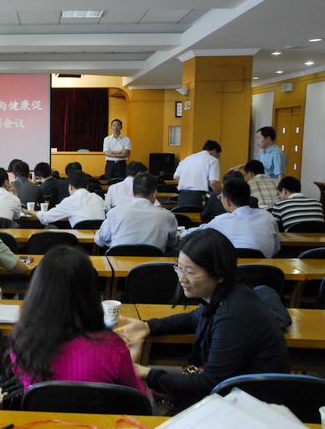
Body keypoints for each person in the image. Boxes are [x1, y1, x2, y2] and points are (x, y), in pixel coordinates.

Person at [116, 229, 289, 406]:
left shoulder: (233, 315)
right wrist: (148, 327)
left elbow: (208, 383)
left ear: (219, 274)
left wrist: (146, 373)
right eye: (179, 268)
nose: (182, 278)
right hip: (236, 391)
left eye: (190, 272)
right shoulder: (226, 294)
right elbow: (195, 317)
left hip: (254, 404)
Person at [10, 245, 145, 394]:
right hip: (98, 410)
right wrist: (134, 352)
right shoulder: (113, 348)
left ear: (37, 290)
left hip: (40, 410)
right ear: (90, 292)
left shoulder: (22, 343)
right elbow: (137, 400)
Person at [184, 179, 280, 258]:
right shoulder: (267, 216)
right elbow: (276, 249)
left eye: (221, 197)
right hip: (266, 271)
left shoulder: (221, 220)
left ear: (227, 201)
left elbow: (194, 233)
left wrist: (181, 232)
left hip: (232, 272)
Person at [95, 172, 178, 252]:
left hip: (118, 261)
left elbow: (99, 240)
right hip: (154, 261)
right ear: (155, 193)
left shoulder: (115, 212)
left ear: (133, 192)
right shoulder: (168, 216)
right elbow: (172, 243)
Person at [33, 171, 106, 227]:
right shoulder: (98, 198)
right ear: (87, 186)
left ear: (70, 187)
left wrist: (30, 212)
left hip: (78, 240)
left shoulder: (70, 201)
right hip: (100, 240)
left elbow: (46, 217)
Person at [173, 140, 222, 208]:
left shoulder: (187, 158)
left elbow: (176, 177)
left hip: (182, 196)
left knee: (182, 214)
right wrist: (220, 194)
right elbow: (213, 182)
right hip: (198, 197)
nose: (218, 157)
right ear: (214, 151)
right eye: (218, 155)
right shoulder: (213, 160)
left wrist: (189, 182)